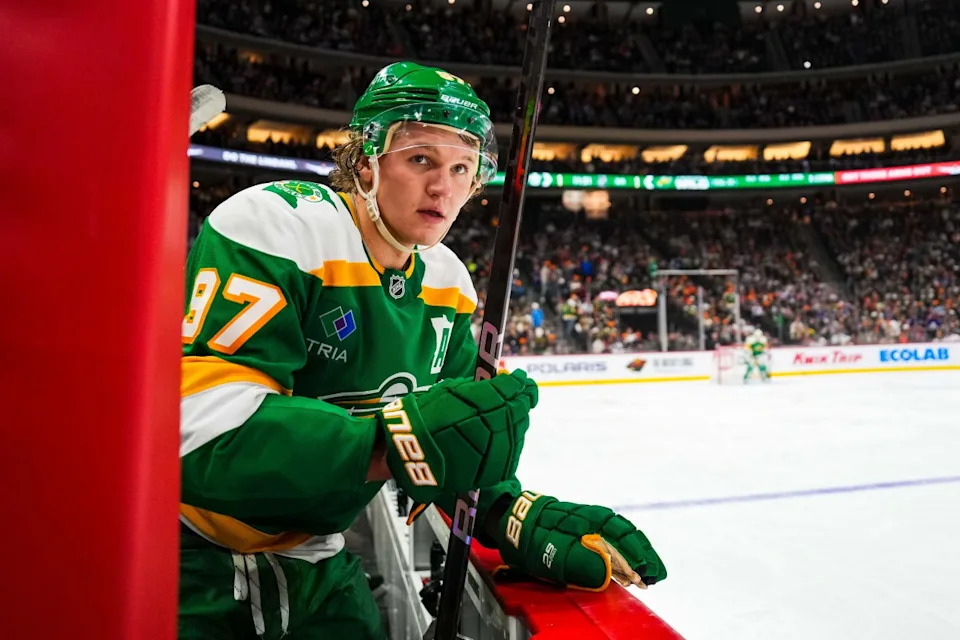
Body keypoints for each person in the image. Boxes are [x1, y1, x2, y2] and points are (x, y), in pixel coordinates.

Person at [178, 61, 666, 640]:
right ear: (366, 160)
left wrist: (505, 512)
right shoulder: (279, 224)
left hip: (318, 561)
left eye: (462, 168)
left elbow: (452, 439)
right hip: (186, 556)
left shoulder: (448, 282)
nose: (445, 187)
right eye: (421, 160)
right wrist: (396, 443)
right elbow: (201, 429)